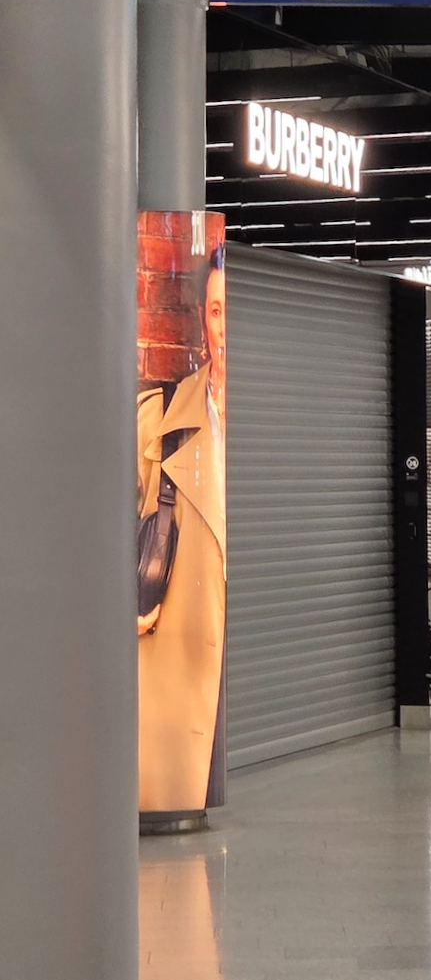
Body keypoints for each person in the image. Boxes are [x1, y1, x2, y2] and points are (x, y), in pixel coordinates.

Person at [137, 245, 227, 814]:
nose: (225, 329)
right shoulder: (157, 419)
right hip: (171, 683)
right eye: (216, 311)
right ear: (201, 319)